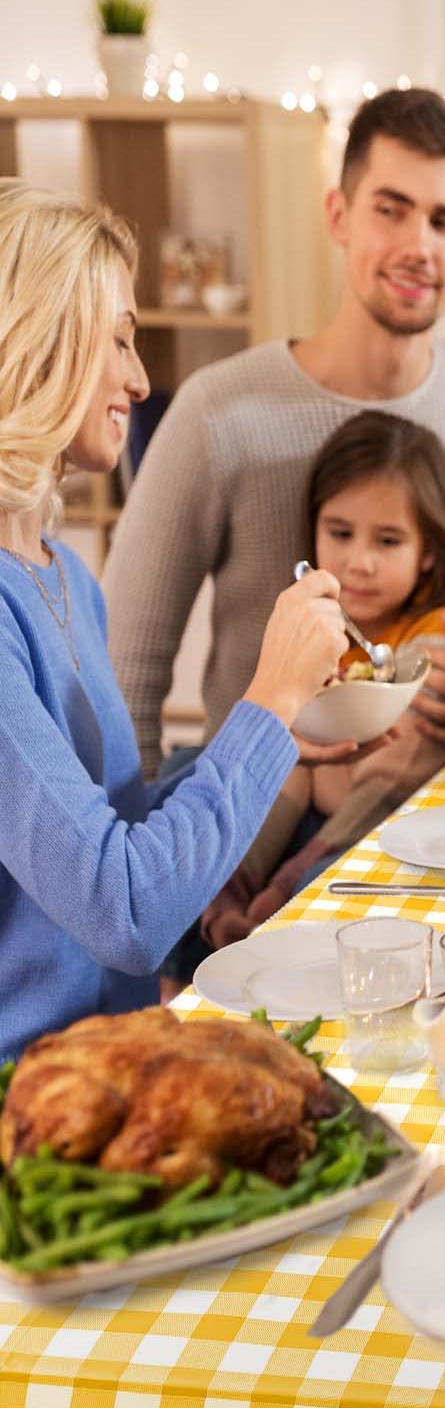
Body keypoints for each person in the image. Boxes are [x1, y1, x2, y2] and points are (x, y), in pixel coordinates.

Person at [104, 87, 445, 782]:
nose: (418, 246)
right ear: (338, 214)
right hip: (259, 821)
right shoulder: (218, 411)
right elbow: (122, 671)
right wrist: (169, 871)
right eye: (391, 210)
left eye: (443, 221)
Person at [0, 181, 345, 1062]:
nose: (140, 378)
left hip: (111, 1049)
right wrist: (266, 703)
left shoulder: (65, 575)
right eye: (116, 337)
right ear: (37, 342)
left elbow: (111, 827)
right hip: (37, 1103)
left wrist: (277, 746)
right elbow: (124, 907)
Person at [196, 411, 445, 953]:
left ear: (429, 555)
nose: (359, 562)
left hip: (372, 816)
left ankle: (295, 884)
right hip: (319, 784)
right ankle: (229, 893)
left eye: (388, 541)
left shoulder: (441, 633)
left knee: (417, 709)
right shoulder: (322, 625)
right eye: (340, 534)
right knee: (284, 733)